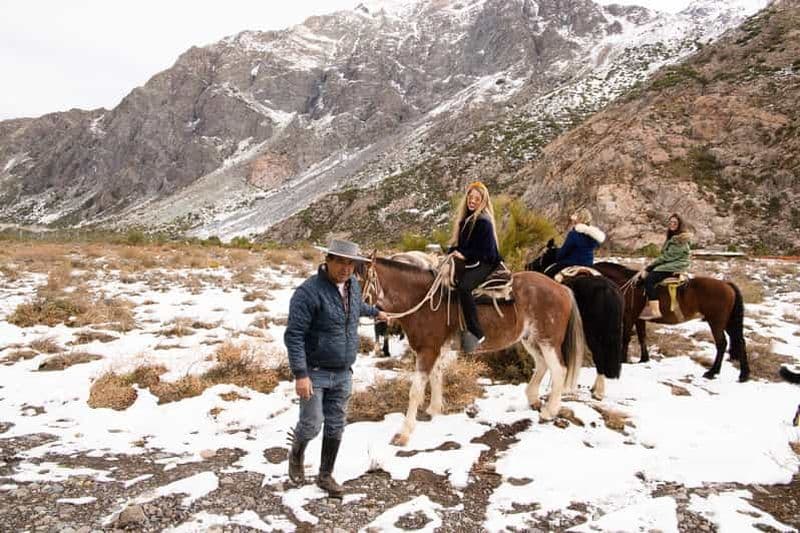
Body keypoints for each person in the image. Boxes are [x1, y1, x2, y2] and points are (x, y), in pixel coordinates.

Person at [284, 239, 388, 497]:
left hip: (343, 371)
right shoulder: (308, 292)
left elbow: (355, 308)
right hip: (315, 371)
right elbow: (294, 335)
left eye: (350, 263)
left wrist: (375, 313)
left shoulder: (353, 285)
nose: (345, 267)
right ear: (328, 260)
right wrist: (301, 374)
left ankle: (325, 475)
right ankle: (296, 456)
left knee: (336, 425)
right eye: (340, 261)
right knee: (311, 424)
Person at [448, 181, 502, 347]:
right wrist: (451, 251)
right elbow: (463, 246)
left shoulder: (483, 221)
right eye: (470, 198)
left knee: (464, 287)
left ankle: (476, 331)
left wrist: (464, 255)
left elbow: (486, 251)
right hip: (472, 259)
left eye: (476, 199)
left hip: (486, 262)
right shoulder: (465, 220)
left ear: (483, 201)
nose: (472, 201)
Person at [636, 213, 692, 320]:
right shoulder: (674, 236)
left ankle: (655, 311)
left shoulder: (679, 239)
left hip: (675, 265)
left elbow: (667, 256)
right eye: (670, 222)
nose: (672, 224)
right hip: (673, 263)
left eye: (675, 223)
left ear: (679, 224)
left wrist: (650, 266)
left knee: (649, 280)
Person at [546, 208, 606, 278]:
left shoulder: (574, 234)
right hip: (588, 264)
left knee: (548, 274)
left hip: (571, 263)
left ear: (578, 219)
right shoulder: (593, 236)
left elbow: (565, 250)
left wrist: (557, 257)